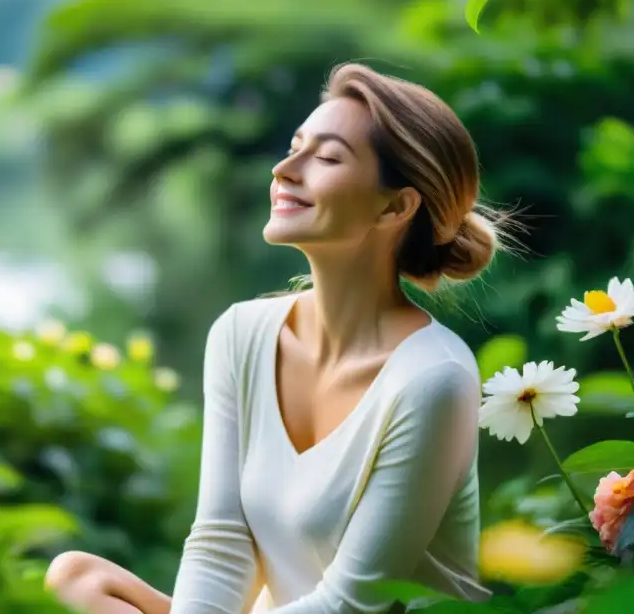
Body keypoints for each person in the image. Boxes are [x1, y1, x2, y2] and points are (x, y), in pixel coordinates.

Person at [45, 62, 502, 613]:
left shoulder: (433, 378)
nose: (285, 170)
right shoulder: (242, 334)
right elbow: (221, 543)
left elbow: (352, 605)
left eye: (327, 158)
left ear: (396, 206)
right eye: (294, 147)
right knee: (75, 578)